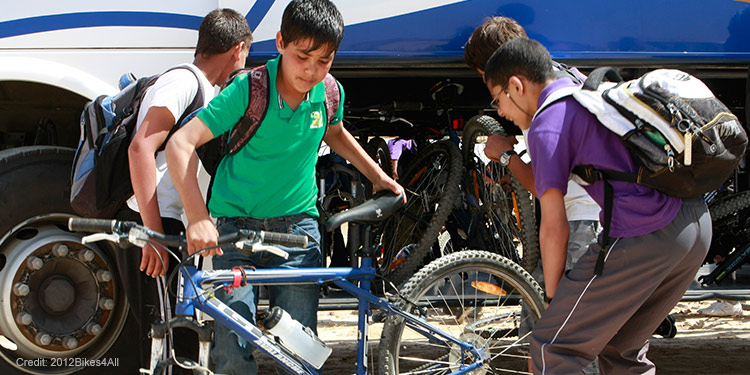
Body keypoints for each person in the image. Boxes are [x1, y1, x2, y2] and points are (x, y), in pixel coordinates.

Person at [165, 1, 403, 374]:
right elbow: (180, 143)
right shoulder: (249, 88)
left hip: (298, 234)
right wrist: (197, 217)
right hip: (233, 234)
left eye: (324, 61)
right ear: (279, 43)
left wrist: (378, 176)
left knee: (298, 354)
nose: (311, 70)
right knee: (231, 351)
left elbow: (335, 132)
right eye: (302, 56)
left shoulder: (329, 92)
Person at [484, 37, 711, 374]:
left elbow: (554, 226)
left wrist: (552, 300)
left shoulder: (547, 122)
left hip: (646, 233)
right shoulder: (581, 89)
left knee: (552, 344)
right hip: (695, 227)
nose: (500, 111)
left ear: (516, 86)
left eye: (497, 99)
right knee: (620, 349)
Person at [116, 8, 252, 373]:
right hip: (155, 221)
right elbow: (140, 148)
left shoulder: (206, 88)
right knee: (157, 343)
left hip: (171, 224)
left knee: (178, 340)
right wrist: (153, 233)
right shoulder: (183, 83)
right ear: (239, 50)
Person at [464, 17, 601, 374]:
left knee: (563, 336)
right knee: (545, 331)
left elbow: (545, 187)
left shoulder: (545, 110)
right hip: (587, 218)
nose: (492, 98)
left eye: (487, 79)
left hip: (581, 220)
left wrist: (506, 157)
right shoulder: (567, 78)